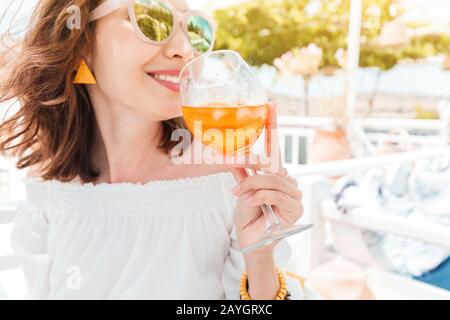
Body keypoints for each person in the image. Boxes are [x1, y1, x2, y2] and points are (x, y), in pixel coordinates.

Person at [0, 0, 315, 299]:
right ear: (80, 43)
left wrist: (259, 255)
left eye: (195, 30)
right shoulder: (48, 188)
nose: (185, 49)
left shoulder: (229, 180)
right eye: (152, 19)